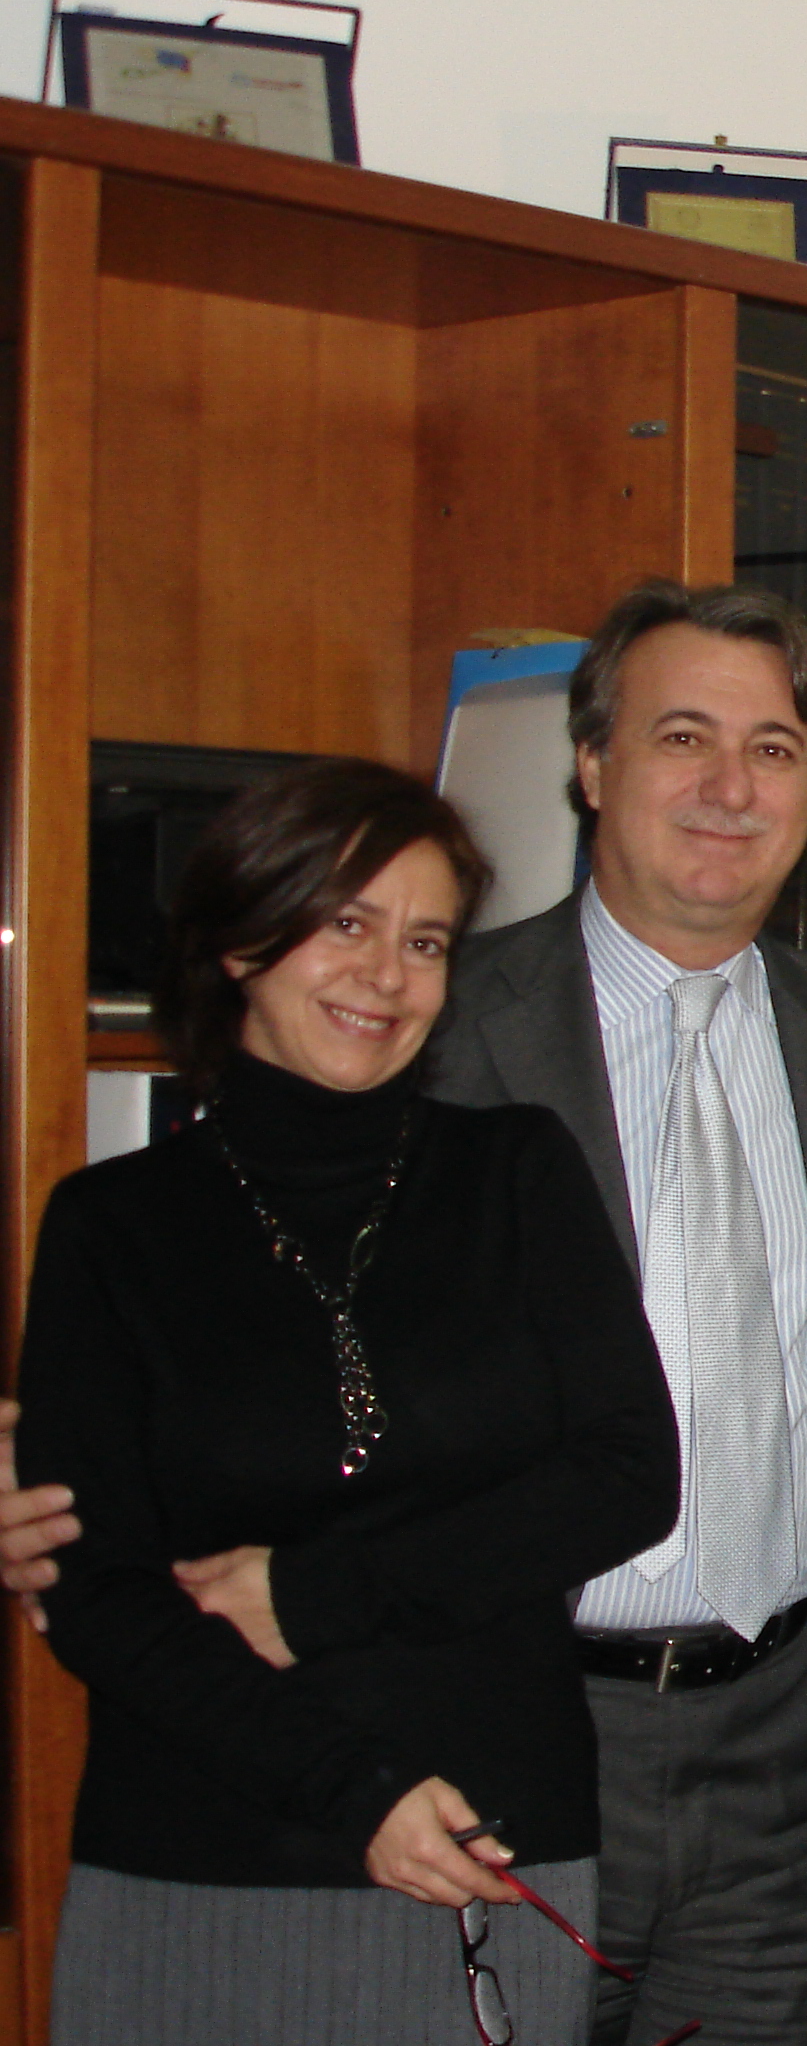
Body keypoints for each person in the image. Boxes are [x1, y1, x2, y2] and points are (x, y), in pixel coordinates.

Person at [0, 581, 807, 2044]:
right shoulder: (437, 1035)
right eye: (682, 736)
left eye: (772, 749)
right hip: (499, 1714)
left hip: (782, 1734)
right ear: (589, 766)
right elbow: (237, 1347)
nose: (728, 787)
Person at [14, 759, 681, 2045]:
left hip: (493, 1830)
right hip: (204, 1852)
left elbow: (626, 1472)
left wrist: (312, 1592)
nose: (387, 973)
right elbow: (96, 1587)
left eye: (425, 939)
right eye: (347, 923)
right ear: (239, 942)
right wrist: (352, 1790)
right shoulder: (113, 1225)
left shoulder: (517, 1171)